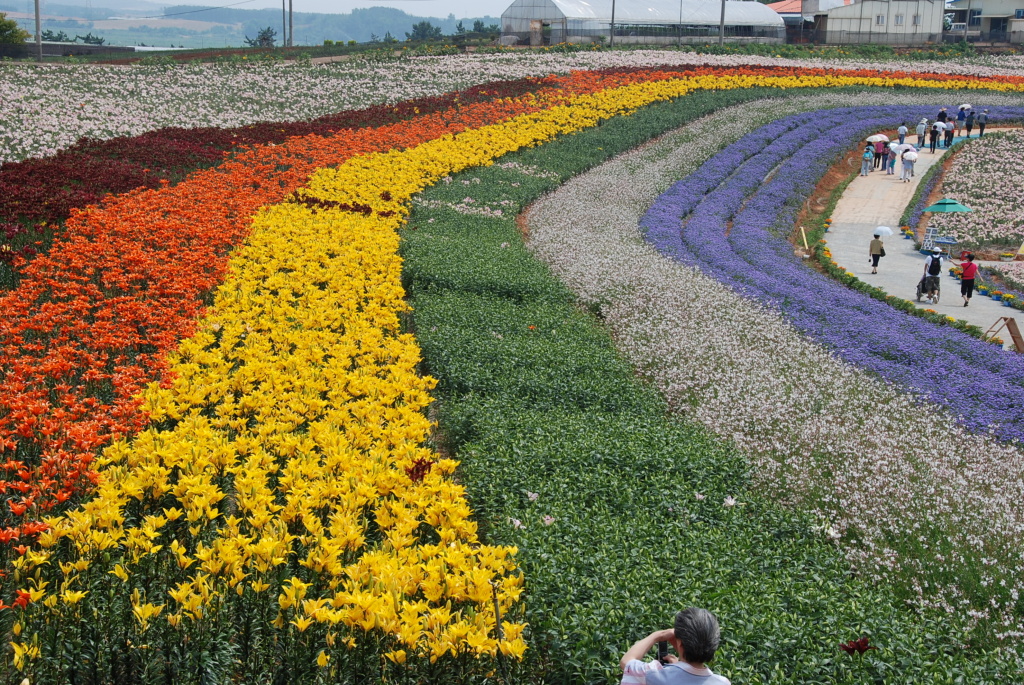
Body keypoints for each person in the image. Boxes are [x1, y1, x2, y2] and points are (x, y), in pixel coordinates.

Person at [620, 608, 731, 685]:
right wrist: (680, 665)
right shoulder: (723, 682)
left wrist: (658, 635)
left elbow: (626, 661)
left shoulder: (653, 674)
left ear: (680, 643)